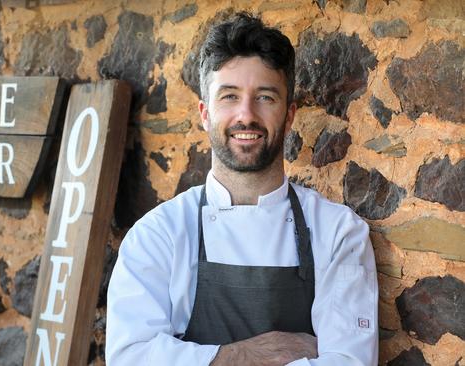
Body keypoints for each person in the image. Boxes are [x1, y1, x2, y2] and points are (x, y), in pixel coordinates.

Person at [106, 12, 378, 366]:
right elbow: (129, 357)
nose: (246, 115)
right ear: (205, 113)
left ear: (290, 114)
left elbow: (350, 362)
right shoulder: (159, 235)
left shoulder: (339, 233)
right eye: (230, 96)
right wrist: (240, 355)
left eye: (265, 97)